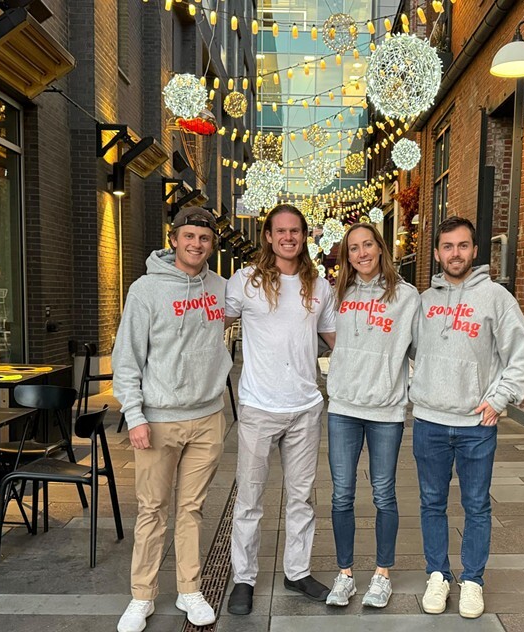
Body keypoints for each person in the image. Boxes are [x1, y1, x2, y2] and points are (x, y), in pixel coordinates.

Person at [112, 207, 232, 632]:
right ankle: (141, 596)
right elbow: (126, 359)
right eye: (189, 236)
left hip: (207, 417)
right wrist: (134, 416)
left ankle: (189, 588)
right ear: (174, 238)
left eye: (204, 237)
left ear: (211, 244)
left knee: (192, 509)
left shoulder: (221, 288)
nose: (196, 244)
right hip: (158, 419)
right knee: (152, 510)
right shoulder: (145, 290)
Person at [410, 216, 524, 619]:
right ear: (436, 252)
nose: (455, 253)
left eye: (463, 245)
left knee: (476, 505)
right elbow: (406, 349)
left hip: (476, 425)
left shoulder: (497, 298)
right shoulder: (424, 300)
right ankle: (437, 575)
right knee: (432, 503)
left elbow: (521, 357)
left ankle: (473, 581)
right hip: (429, 420)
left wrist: (499, 399)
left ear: (475, 250)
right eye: (447, 246)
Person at [225, 204, 337, 615]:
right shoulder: (245, 282)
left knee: (301, 497)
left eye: (295, 231)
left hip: (305, 407)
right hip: (257, 405)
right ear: (268, 237)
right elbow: (208, 321)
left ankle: (297, 570)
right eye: (280, 231)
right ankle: (243, 578)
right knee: (249, 499)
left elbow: (334, 338)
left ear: (304, 236)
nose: (288, 237)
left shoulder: (319, 285)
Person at [323, 223, 420, 609]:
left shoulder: (408, 297)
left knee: (383, 493)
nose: (361, 253)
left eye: (367, 245)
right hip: (343, 408)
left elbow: (423, 351)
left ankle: (382, 575)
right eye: (353, 249)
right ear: (347, 256)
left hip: (386, 410)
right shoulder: (338, 295)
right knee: (341, 494)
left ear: (381, 248)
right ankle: (344, 574)